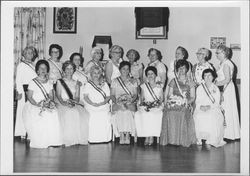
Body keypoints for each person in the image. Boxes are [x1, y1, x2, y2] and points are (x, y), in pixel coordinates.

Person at [22, 60, 62, 148]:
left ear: (47, 70)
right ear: (37, 70)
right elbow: (30, 97)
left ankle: (52, 140)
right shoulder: (33, 82)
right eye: (41, 68)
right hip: (34, 104)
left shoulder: (49, 82)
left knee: (54, 112)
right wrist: (38, 105)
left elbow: (51, 96)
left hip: (46, 103)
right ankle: (43, 140)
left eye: (45, 68)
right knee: (43, 114)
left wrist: (49, 102)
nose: (43, 70)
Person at [160, 59, 196, 147]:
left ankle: (181, 139)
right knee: (168, 112)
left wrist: (186, 102)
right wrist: (172, 101)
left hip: (186, 104)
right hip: (173, 103)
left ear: (187, 69)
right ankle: (171, 139)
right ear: (176, 69)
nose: (181, 70)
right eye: (179, 68)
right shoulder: (173, 81)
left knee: (182, 112)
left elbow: (193, 97)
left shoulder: (190, 82)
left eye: (183, 68)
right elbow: (169, 95)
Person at [56, 61, 89, 146]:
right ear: (64, 70)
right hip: (62, 102)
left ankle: (77, 138)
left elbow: (77, 97)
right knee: (70, 113)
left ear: (74, 70)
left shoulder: (76, 83)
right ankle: (68, 138)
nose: (69, 70)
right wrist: (64, 103)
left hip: (73, 102)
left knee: (83, 115)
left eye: (71, 68)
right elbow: (58, 95)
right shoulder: (60, 82)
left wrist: (74, 102)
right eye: (67, 68)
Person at [193, 69, 226, 147]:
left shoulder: (215, 88)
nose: (207, 77)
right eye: (205, 76)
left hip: (213, 108)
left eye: (209, 75)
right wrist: (201, 106)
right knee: (198, 116)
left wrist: (209, 106)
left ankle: (210, 138)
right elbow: (197, 101)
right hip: (201, 107)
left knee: (211, 116)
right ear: (203, 77)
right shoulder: (200, 88)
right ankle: (199, 138)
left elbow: (217, 102)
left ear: (213, 77)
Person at [215, 45, 240, 140]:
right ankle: (226, 133)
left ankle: (228, 134)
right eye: (216, 53)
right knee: (224, 109)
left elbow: (227, 79)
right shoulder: (222, 63)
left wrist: (216, 84)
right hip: (224, 87)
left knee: (227, 109)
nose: (216, 55)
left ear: (224, 53)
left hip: (226, 88)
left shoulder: (226, 64)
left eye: (218, 53)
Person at [134, 66, 164, 145]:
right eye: (148, 74)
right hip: (146, 105)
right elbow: (142, 98)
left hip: (157, 105)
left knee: (153, 114)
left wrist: (156, 104)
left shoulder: (160, 85)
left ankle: (151, 136)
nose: (150, 75)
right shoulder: (144, 86)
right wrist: (143, 104)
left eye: (152, 74)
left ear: (155, 75)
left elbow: (161, 98)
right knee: (143, 114)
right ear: (146, 76)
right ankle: (146, 135)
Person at [111, 61, 138, 144]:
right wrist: (117, 102)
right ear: (120, 69)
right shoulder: (115, 81)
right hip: (118, 102)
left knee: (127, 111)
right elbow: (112, 95)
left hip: (130, 102)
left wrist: (130, 100)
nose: (125, 71)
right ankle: (121, 134)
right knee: (121, 111)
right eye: (123, 69)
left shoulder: (133, 81)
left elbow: (135, 95)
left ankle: (127, 134)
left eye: (127, 69)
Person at [83, 65, 112, 143]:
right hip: (91, 105)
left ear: (101, 74)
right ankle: (93, 139)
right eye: (94, 73)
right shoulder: (88, 84)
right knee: (93, 116)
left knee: (104, 115)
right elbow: (85, 97)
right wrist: (92, 103)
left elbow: (108, 96)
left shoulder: (104, 84)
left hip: (103, 105)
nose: (96, 75)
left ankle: (105, 138)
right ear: (91, 74)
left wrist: (102, 103)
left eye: (98, 73)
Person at [15, 46, 38, 139]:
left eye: (32, 53)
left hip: (32, 91)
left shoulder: (33, 65)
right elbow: (18, 80)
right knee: (23, 111)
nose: (30, 54)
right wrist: (20, 92)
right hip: (24, 90)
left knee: (30, 111)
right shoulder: (21, 65)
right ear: (24, 54)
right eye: (28, 52)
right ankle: (22, 132)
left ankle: (30, 131)